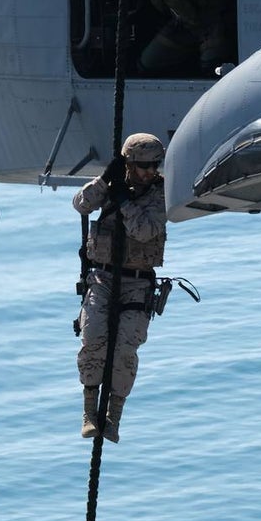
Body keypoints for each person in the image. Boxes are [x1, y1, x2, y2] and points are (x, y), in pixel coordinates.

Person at [73, 133, 168, 443]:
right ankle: (89, 412)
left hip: (137, 283)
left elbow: (145, 230)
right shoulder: (112, 186)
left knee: (125, 349)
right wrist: (104, 181)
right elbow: (81, 204)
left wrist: (124, 202)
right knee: (93, 338)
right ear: (129, 164)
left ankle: (113, 416)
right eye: (143, 166)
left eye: (154, 165)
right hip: (102, 278)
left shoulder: (160, 194)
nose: (149, 172)